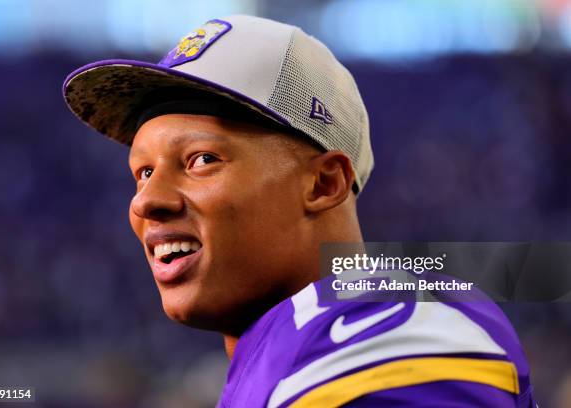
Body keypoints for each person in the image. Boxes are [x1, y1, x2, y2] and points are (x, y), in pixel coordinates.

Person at [63, 15, 536, 407]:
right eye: (143, 173)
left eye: (202, 159)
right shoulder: (284, 350)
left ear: (324, 183)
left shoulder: (377, 322)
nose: (147, 200)